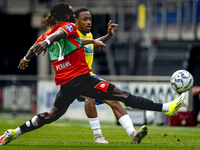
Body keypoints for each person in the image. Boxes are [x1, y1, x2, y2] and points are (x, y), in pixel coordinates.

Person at [0, 2, 185, 146]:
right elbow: (61, 35)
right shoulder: (68, 27)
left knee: (52, 114)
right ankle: (166, 108)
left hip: (67, 84)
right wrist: (48, 42)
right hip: (81, 79)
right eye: (72, 13)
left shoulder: (48, 34)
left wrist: (26, 58)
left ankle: (14, 132)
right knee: (122, 95)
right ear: (66, 16)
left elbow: (37, 47)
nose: (73, 16)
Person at [73, 7, 137, 144]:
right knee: (89, 95)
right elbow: (78, 42)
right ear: (75, 21)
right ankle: (98, 137)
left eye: (90, 19)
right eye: (85, 19)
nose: (89, 22)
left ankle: (133, 134)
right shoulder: (70, 35)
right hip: (74, 79)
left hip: (89, 77)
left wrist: (108, 36)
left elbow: (92, 44)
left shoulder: (88, 36)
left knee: (114, 99)